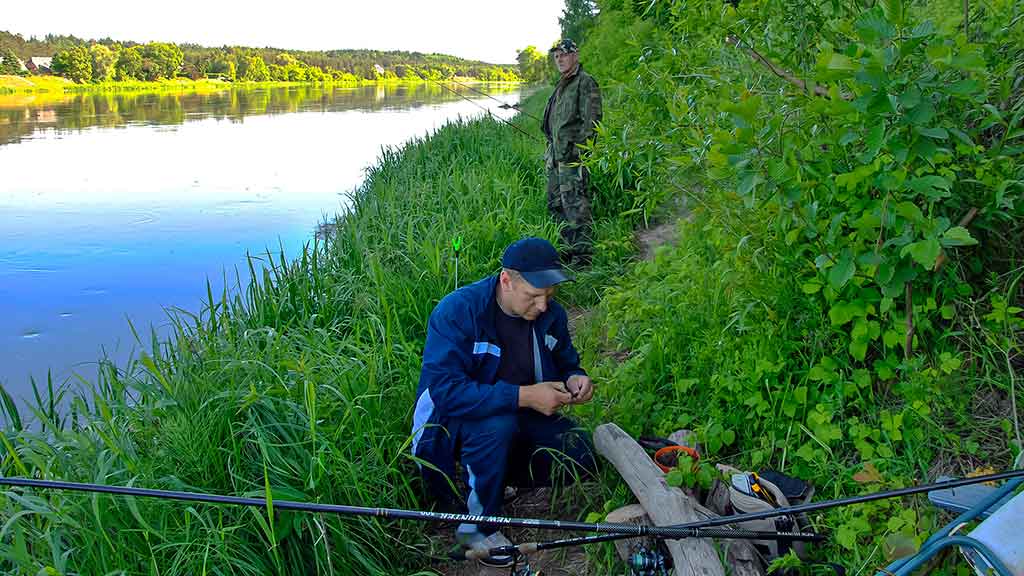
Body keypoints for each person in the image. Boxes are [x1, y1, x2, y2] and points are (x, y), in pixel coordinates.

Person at [410, 237, 597, 567]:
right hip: (452, 421)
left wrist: (575, 377)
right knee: (498, 424)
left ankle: (497, 478)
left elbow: (567, 360)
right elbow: (446, 392)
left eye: (548, 296)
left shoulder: (552, 315)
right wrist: (525, 395)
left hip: (520, 412)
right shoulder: (458, 312)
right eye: (533, 296)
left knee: (580, 453)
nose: (542, 306)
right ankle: (476, 527)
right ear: (506, 280)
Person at [542, 38, 603, 264]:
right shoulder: (562, 84)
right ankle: (566, 252)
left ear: (575, 55)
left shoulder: (585, 82)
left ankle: (583, 258)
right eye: (556, 56)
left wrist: (578, 153)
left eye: (563, 55)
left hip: (573, 160)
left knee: (576, 207)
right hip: (556, 158)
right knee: (556, 205)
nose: (559, 59)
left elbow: (593, 122)